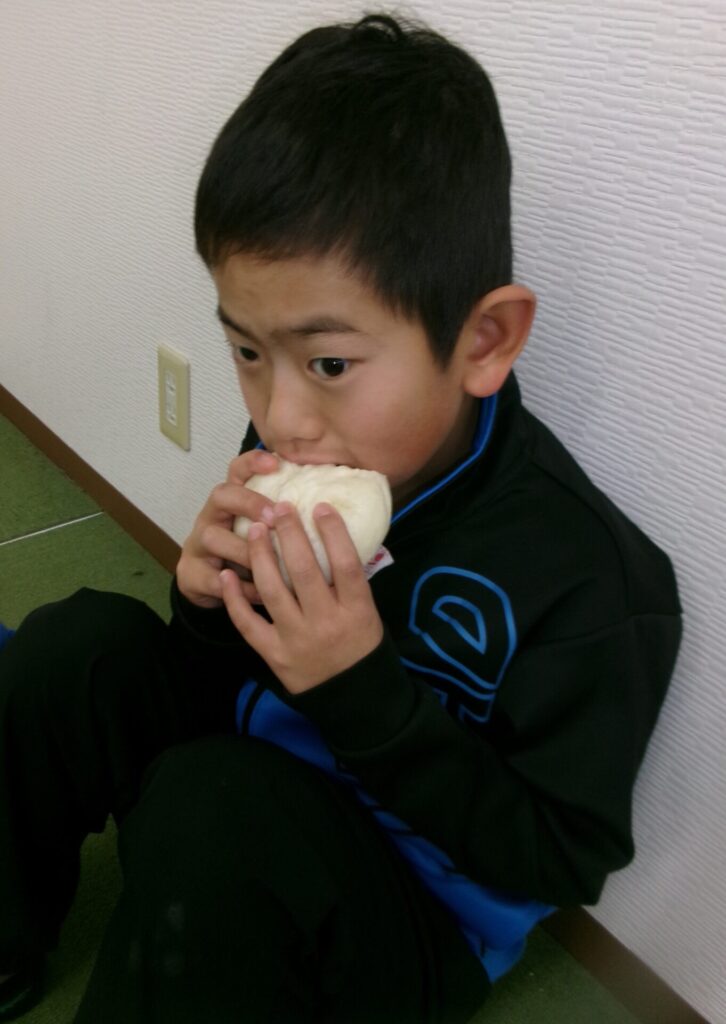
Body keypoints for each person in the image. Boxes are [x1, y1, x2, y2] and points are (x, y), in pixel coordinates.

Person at [0, 12, 682, 1023]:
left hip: (407, 908)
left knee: (213, 809)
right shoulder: (304, 446)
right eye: (246, 351)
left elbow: (555, 859)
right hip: (241, 782)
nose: (280, 415)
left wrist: (365, 692)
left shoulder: (591, 580)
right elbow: (220, 682)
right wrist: (205, 608)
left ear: (483, 341)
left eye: (328, 362)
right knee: (76, 645)